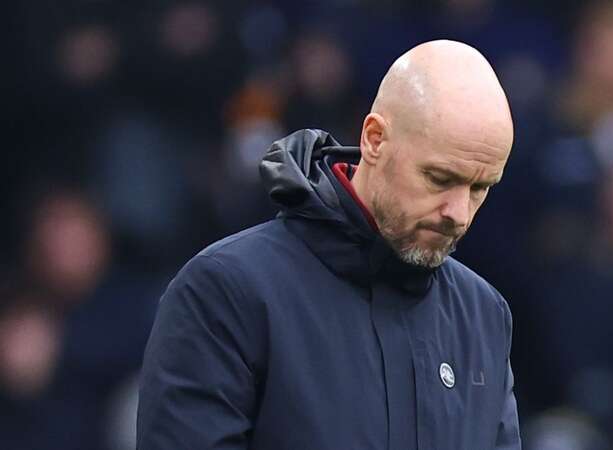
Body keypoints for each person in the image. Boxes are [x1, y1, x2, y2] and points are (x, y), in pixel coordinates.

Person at [137, 40, 521, 450]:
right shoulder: (226, 291)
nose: (459, 213)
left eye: (480, 188)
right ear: (374, 139)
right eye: (440, 178)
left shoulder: (484, 315)